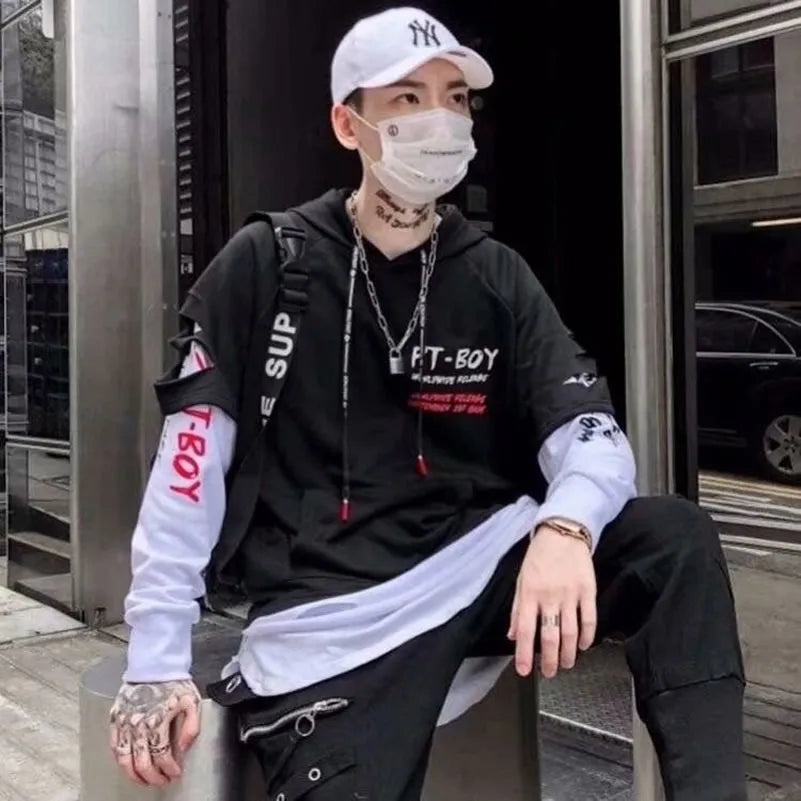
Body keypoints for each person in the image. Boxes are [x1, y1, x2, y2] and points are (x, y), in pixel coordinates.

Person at [109, 7, 746, 800]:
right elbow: (190, 463)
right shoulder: (267, 263)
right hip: (331, 620)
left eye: (455, 98)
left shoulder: (493, 273)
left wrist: (565, 526)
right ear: (347, 125)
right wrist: (155, 656)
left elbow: (589, 433)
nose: (439, 119)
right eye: (407, 99)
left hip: (479, 567)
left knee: (673, 540)